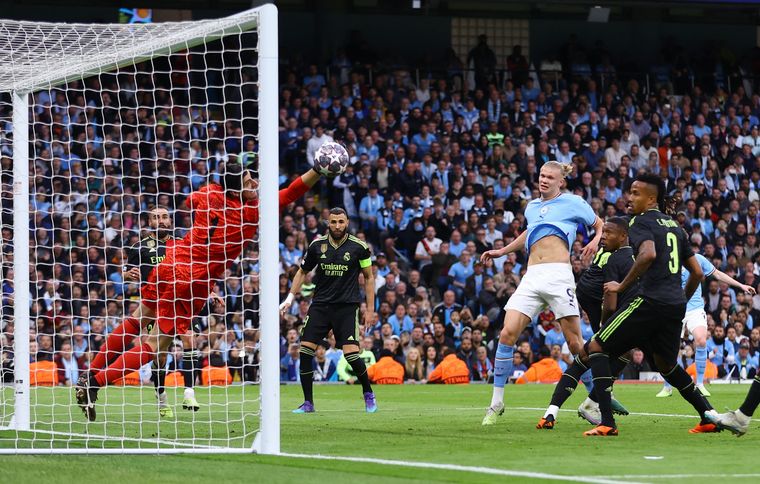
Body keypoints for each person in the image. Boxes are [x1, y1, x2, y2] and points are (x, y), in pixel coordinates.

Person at [75, 161, 324, 421]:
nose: (255, 184)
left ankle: (89, 373)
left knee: (137, 319)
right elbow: (291, 193)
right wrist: (317, 170)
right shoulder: (251, 212)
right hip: (192, 279)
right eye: (248, 182)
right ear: (236, 190)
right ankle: (94, 383)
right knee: (155, 344)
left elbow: (190, 200)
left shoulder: (209, 192)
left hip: (171, 261)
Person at [584, 173, 719, 436]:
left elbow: (648, 254)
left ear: (651, 199)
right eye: (630, 192)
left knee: (596, 347)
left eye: (635, 193)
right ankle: (707, 416)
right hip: (674, 306)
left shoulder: (639, 221)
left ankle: (607, 422)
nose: (629, 198)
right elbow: (697, 273)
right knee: (666, 365)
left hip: (649, 301)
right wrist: (681, 298)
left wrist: (620, 286)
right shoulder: (674, 226)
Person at [480, 161, 603, 426]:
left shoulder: (573, 202)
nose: (544, 180)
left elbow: (599, 224)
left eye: (549, 177)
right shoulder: (532, 207)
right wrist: (502, 251)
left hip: (559, 275)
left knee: (574, 343)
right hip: (532, 276)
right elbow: (530, 233)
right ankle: (496, 402)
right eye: (541, 175)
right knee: (507, 333)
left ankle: (596, 399)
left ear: (561, 182)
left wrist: (595, 240)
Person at [537, 217, 635, 429]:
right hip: (596, 296)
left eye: (607, 233)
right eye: (603, 233)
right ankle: (596, 399)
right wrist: (606, 326)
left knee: (594, 354)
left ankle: (552, 412)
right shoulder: (618, 255)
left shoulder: (615, 249)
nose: (603, 237)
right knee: (602, 352)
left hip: (587, 291)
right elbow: (610, 297)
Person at [280, 208, 377, 413]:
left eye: (341, 222)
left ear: (347, 222)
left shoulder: (359, 247)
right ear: (328, 223)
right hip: (321, 306)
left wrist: (370, 310)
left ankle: (368, 393)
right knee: (305, 351)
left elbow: (369, 278)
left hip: (347, 307)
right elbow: (302, 272)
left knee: (351, 355)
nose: (337, 226)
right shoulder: (317, 246)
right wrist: (290, 298)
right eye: (333, 222)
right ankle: (308, 403)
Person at [119, 205, 201, 418]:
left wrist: (208, 291)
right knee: (160, 355)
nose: (162, 221)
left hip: (181, 302)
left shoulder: (182, 244)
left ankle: (189, 393)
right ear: (150, 222)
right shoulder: (139, 247)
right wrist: (128, 275)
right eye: (157, 218)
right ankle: (161, 395)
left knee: (190, 338)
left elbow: (196, 272)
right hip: (154, 306)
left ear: (170, 220)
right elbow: (125, 273)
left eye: (165, 217)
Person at [656, 252, 756, 398]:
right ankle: (667, 386)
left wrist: (741, 285)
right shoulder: (667, 258)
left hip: (695, 309)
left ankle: (700, 384)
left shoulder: (697, 259)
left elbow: (718, 274)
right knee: (671, 347)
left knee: (701, 341)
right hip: (674, 308)